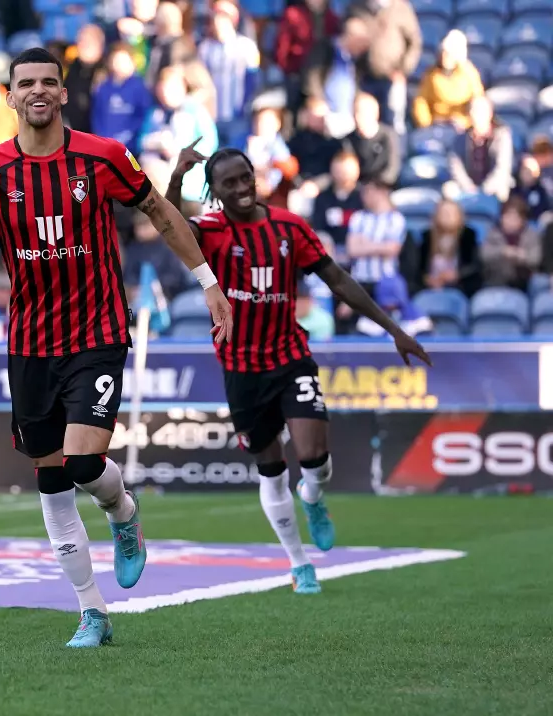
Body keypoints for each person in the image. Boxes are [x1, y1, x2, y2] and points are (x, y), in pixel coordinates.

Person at [0, 48, 234, 648]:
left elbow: (162, 213)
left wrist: (210, 284)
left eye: (49, 82)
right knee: (50, 479)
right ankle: (91, 611)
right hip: (32, 342)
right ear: (11, 96)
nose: (38, 91)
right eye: (26, 84)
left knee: (84, 464)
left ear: (63, 93)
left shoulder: (104, 156)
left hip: (96, 331)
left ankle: (123, 513)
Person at [166, 143, 431, 594]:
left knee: (314, 459)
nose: (240, 188)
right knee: (271, 469)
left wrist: (394, 329)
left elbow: (339, 280)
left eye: (245, 177)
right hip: (241, 367)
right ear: (215, 190)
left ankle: (313, 496)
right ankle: (298, 561)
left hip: (289, 355)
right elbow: (167, 227)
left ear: (255, 177)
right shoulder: (209, 231)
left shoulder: (289, 227)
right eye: (228, 183)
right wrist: (175, 179)